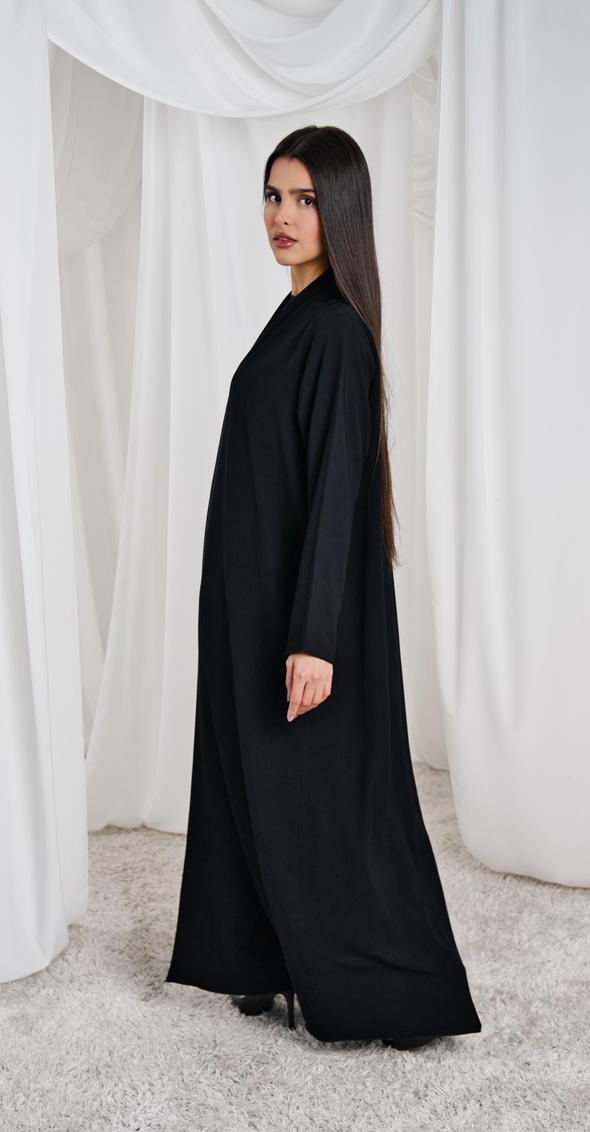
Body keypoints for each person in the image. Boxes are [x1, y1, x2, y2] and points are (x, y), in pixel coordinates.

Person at [165, 125, 482, 1050]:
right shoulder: (293, 316)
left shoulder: (336, 330)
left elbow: (339, 489)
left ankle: (382, 988)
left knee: (320, 797)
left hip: (293, 615)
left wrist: (313, 636)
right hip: (252, 603)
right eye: (273, 196)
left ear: (339, 209)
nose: (283, 215)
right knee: (252, 782)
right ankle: (264, 957)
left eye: (304, 199)